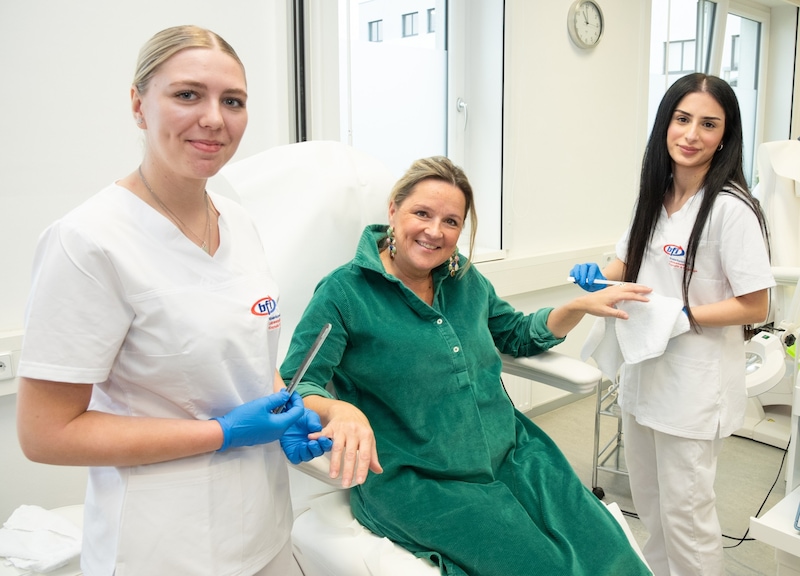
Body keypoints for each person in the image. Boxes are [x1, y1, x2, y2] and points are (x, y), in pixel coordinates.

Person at [15, 25, 330, 576]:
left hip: (264, 528)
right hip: (162, 547)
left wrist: (287, 407)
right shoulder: (89, 241)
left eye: (232, 101)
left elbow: (244, 365)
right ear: (139, 105)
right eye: (188, 94)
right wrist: (225, 433)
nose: (214, 118)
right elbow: (46, 435)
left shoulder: (238, 222)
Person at [280, 155, 654, 575]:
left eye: (451, 221)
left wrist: (576, 306)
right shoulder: (344, 292)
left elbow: (515, 333)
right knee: (541, 567)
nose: (434, 231)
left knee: (608, 550)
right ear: (393, 210)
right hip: (421, 478)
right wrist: (337, 408)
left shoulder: (463, 278)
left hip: (514, 452)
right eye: (421, 213)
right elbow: (296, 382)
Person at [571, 73, 773, 575]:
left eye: (709, 124)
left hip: (694, 387)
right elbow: (628, 263)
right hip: (645, 374)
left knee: (686, 515)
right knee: (651, 504)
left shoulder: (732, 209)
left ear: (725, 135)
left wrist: (685, 314)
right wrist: (598, 277)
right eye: (682, 119)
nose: (691, 134)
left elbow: (756, 305)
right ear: (666, 124)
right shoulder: (655, 197)